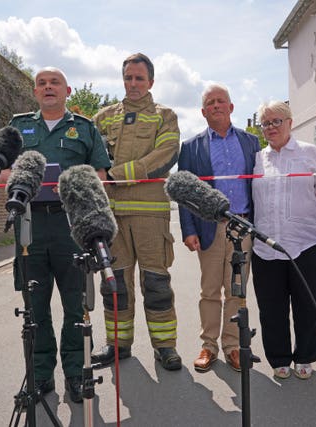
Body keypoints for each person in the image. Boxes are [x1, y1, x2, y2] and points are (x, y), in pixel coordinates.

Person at [7, 67, 111, 403]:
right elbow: (0, 169)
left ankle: (77, 373)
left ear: (67, 91)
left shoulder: (83, 128)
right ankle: (39, 377)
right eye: (42, 83)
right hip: (29, 226)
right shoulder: (18, 125)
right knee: (34, 306)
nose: (48, 87)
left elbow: (99, 174)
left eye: (55, 83)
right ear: (34, 91)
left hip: (72, 227)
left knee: (75, 305)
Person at [91, 53, 182, 370]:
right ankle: (117, 345)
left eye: (139, 78)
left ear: (151, 82)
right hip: (112, 217)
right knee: (114, 285)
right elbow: (91, 156)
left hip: (150, 217)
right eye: (128, 77)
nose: (133, 83)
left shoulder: (164, 116)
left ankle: (165, 347)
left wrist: (118, 174)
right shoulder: (103, 117)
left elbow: (166, 154)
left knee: (156, 284)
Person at [178, 84, 259, 372]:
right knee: (210, 290)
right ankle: (208, 345)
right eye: (210, 102)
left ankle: (233, 346)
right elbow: (184, 191)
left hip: (243, 227)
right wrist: (188, 229)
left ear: (231, 107)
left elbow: (258, 185)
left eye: (220, 101)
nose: (216, 105)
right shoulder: (190, 147)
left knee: (237, 291)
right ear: (203, 111)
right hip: (209, 226)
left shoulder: (251, 142)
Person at [250, 100, 316, 380]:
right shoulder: (258, 159)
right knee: (272, 306)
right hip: (266, 245)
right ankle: (279, 357)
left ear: (290, 122)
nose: (271, 127)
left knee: (309, 304)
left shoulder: (309, 153)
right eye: (266, 123)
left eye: (276, 121)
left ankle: (306, 355)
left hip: (306, 243)